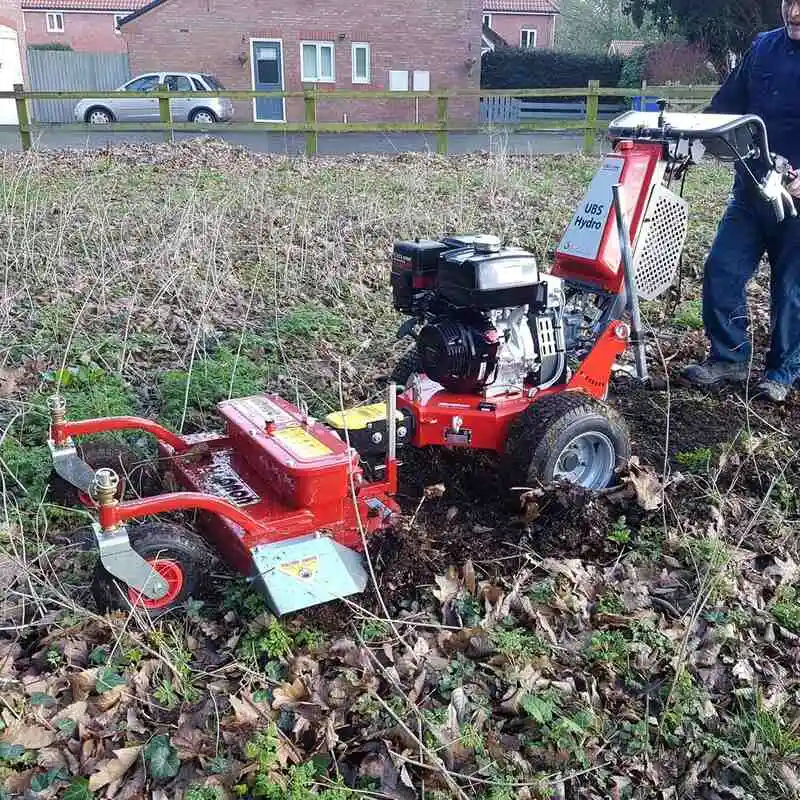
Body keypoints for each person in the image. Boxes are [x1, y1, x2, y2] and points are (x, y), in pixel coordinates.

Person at [681, 0, 800, 403]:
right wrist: (690, 132)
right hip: (752, 191)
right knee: (722, 268)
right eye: (789, 2)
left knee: (791, 289)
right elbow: (725, 107)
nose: (795, 12)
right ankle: (730, 358)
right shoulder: (763, 48)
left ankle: (783, 371)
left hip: (799, 203)